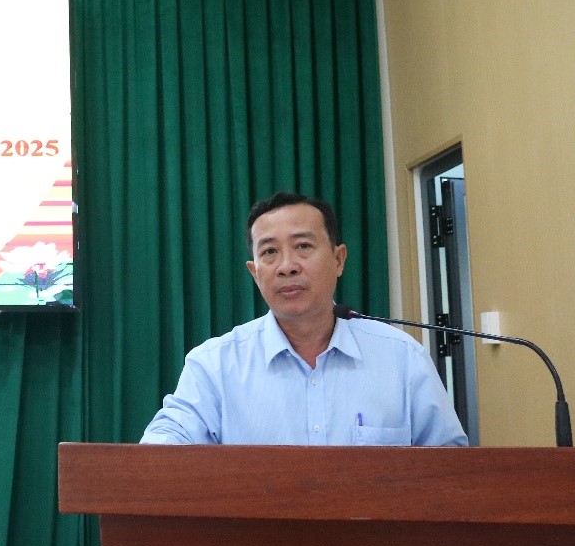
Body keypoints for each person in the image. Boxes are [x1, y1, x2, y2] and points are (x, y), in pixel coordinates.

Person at [141, 191, 468, 446]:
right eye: (270, 252)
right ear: (255, 273)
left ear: (339, 260)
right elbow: (165, 445)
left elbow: (449, 466)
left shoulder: (402, 358)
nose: (287, 266)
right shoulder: (214, 365)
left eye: (303, 246)